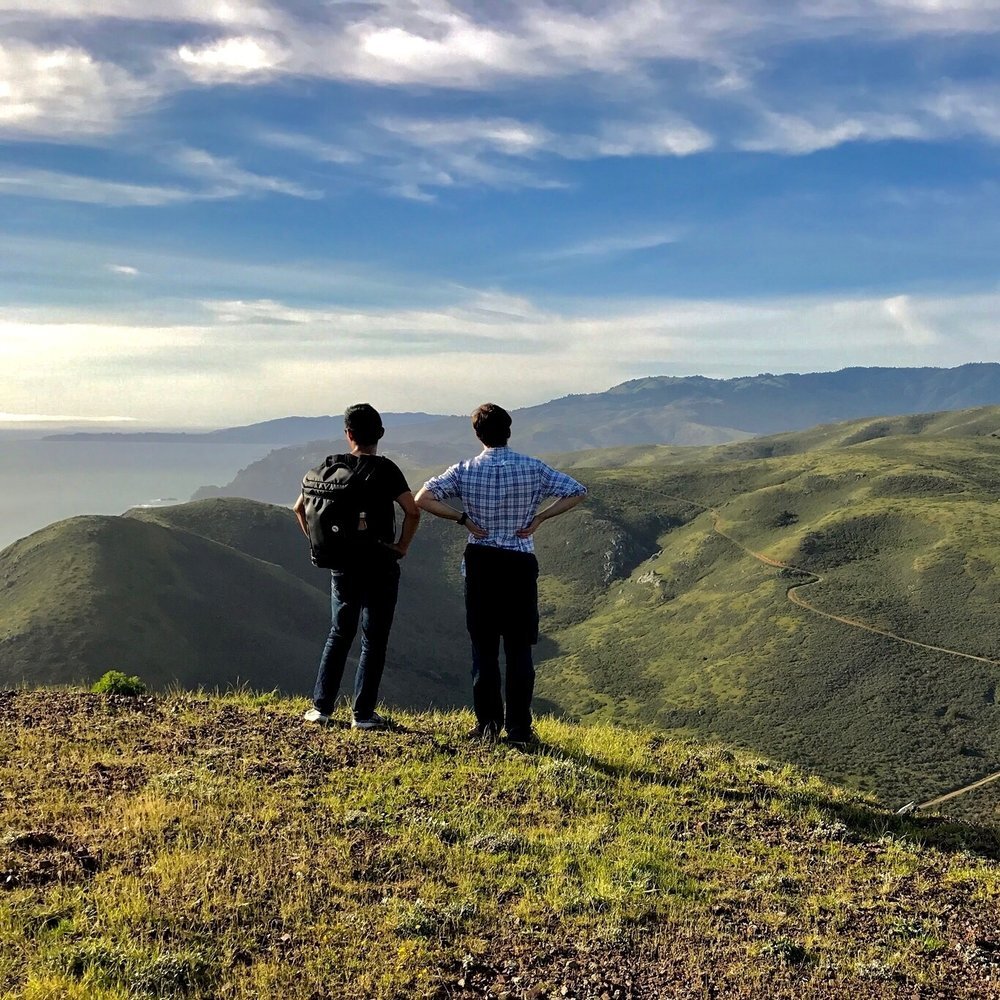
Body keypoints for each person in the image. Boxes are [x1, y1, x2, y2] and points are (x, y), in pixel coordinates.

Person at [414, 402, 586, 745]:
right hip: (519, 562)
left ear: (477, 434)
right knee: (519, 650)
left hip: (481, 562)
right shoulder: (532, 468)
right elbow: (577, 491)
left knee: (484, 648)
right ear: (509, 431)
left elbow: (423, 497)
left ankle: (488, 726)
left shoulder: (464, 470)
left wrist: (463, 518)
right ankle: (519, 730)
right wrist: (540, 518)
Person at [293, 403, 420, 729]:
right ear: (379, 434)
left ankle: (321, 708)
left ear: (348, 434)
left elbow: (299, 509)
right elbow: (413, 511)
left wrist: (321, 543)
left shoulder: (328, 467)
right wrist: (401, 546)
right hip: (380, 563)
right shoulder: (386, 469)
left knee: (339, 633)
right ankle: (362, 715)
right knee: (374, 639)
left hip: (343, 565)